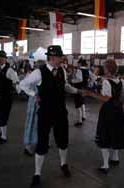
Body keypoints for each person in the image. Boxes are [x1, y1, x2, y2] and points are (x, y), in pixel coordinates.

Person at [19, 45, 82, 187]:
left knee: (63, 141)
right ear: (53, 58)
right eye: (60, 57)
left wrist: (77, 91)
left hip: (60, 112)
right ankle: (37, 174)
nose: (62, 59)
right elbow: (23, 84)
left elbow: (64, 86)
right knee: (42, 143)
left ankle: (63, 164)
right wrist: (33, 94)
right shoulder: (38, 72)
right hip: (45, 113)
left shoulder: (62, 70)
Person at [84, 59, 124, 174]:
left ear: (107, 69)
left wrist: (90, 94)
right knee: (116, 133)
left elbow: (106, 98)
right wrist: (120, 102)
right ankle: (115, 158)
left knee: (105, 134)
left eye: (104, 67)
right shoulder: (122, 82)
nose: (103, 69)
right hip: (118, 111)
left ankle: (105, 164)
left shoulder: (106, 82)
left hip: (108, 111)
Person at [70, 59, 85, 127]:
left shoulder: (79, 70)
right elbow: (93, 78)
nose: (77, 65)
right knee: (82, 102)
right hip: (83, 88)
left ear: (80, 64)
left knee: (78, 104)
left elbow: (79, 79)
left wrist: (72, 81)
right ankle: (83, 116)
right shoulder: (87, 70)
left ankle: (79, 121)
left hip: (78, 88)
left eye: (77, 63)